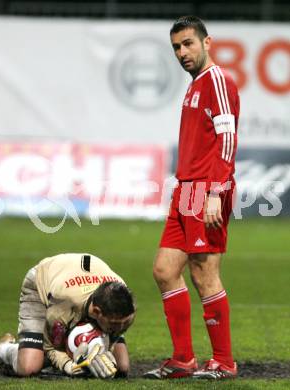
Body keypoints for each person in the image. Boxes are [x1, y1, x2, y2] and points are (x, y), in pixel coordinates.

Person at [144, 16, 239, 380]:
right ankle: (183, 359)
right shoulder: (195, 84)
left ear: (206, 42)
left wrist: (216, 191)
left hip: (205, 189)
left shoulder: (217, 80)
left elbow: (227, 140)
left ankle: (224, 362)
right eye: (176, 48)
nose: (182, 52)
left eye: (188, 44)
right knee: (165, 271)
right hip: (186, 190)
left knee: (204, 273)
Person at [0, 253, 136, 379]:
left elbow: (119, 324)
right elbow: (49, 346)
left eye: (125, 323)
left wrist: (107, 345)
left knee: (121, 367)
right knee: (29, 367)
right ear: (96, 312)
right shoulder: (63, 301)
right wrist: (68, 365)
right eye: (115, 324)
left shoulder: (123, 297)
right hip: (40, 283)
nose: (121, 328)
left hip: (77, 286)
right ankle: (2, 349)